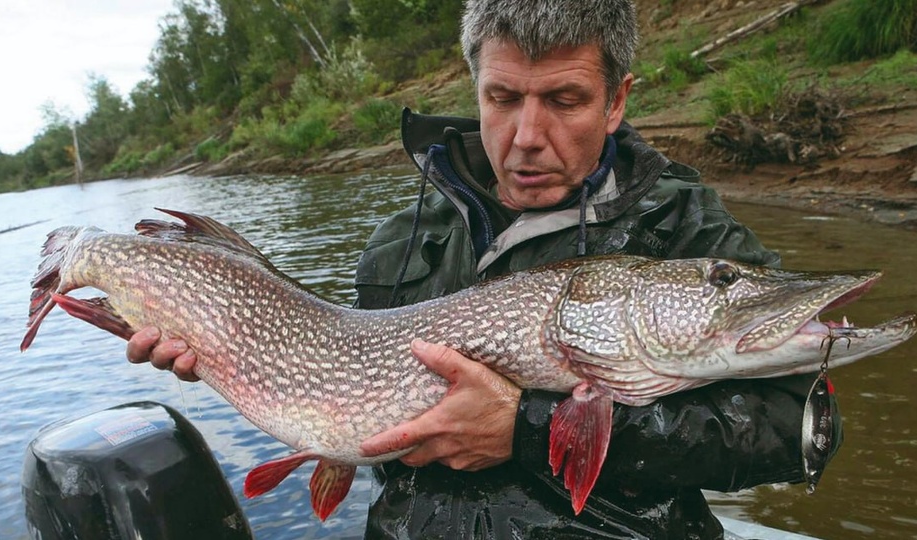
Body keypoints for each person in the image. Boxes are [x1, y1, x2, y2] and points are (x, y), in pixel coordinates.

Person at [127, 1, 841, 538]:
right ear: (476, 90)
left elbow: (798, 427)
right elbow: (346, 404)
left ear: (617, 100)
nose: (527, 138)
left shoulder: (685, 233)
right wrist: (223, 351)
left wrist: (524, 429)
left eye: (564, 100)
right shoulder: (402, 242)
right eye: (503, 99)